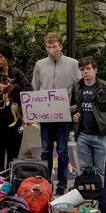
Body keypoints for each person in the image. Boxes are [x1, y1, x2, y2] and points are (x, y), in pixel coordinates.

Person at [32, 33, 82, 195]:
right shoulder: (39, 64)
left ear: (61, 46)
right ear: (45, 47)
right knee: (45, 150)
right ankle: (45, 183)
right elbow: (35, 88)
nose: (52, 49)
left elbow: (80, 88)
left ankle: (62, 184)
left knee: (62, 151)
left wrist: (76, 106)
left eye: (54, 46)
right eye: (48, 46)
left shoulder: (72, 64)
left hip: (63, 115)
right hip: (45, 115)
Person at [70, 58, 106, 180]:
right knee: (84, 170)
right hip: (82, 135)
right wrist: (74, 116)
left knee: (101, 170)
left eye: (88, 68)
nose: (85, 72)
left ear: (95, 70)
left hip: (101, 136)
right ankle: (87, 196)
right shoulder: (77, 87)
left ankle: (101, 198)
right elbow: (74, 107)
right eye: (82, 69)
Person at [0, 43, 33, 174]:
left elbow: (28, 90)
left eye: (0, 57)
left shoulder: (16, 73)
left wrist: (13, 88)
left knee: (13, 154)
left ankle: (11, 181)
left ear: (6, 57)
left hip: (14, 119)